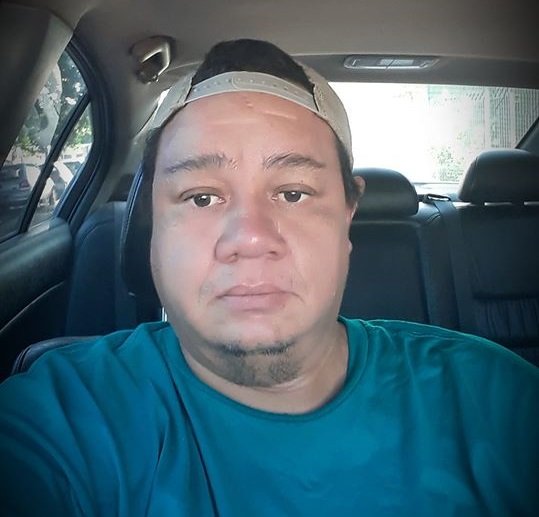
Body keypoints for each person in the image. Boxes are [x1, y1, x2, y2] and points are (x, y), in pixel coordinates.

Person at [0, 39, 538, 516]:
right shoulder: (64, 416)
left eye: (293, 193)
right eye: (201, 197)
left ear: (348, 215)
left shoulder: (494, 399)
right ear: (152, 229)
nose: (251, 238)